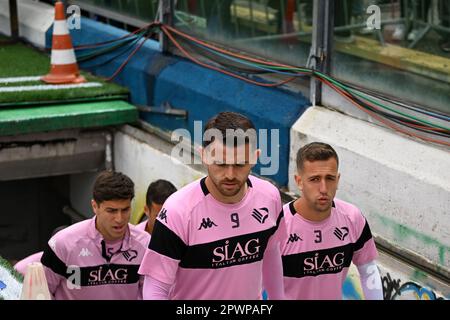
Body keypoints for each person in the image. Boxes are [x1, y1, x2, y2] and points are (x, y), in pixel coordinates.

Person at [139, 111, 286, 300]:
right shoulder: (178, 211)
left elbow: (272, 255)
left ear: (255, 157)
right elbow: (155, 288)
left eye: (240, 164)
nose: (231, 174)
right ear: (204, 156)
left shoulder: (270, 197)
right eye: (221, 164)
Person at [280, 142, 383, 300]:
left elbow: (368, 270)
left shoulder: (352, 218)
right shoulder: (277, 225)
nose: (323, 188)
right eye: (314, 179)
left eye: (330, 178)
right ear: (299, 181)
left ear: (338, 179)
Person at [40, 170, 151, 300]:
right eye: (111, 211)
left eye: (125, 210)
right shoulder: (62, 243)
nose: (119, 219)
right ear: (95, 206)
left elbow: (151, 294)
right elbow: (40, 292)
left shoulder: (145, 244)